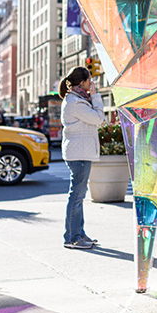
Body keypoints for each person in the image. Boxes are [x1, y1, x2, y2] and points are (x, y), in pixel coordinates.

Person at [60, 67, 105, 249]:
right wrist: (95, 97)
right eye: (89, 80)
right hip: (78, 154)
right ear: (82, 82)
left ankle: (78, 233)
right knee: (76, 197)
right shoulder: (75, 103)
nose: (91, 83)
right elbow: (99, 118)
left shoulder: (78, 99)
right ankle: (72, 238)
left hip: (80, 152)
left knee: (78, 196)